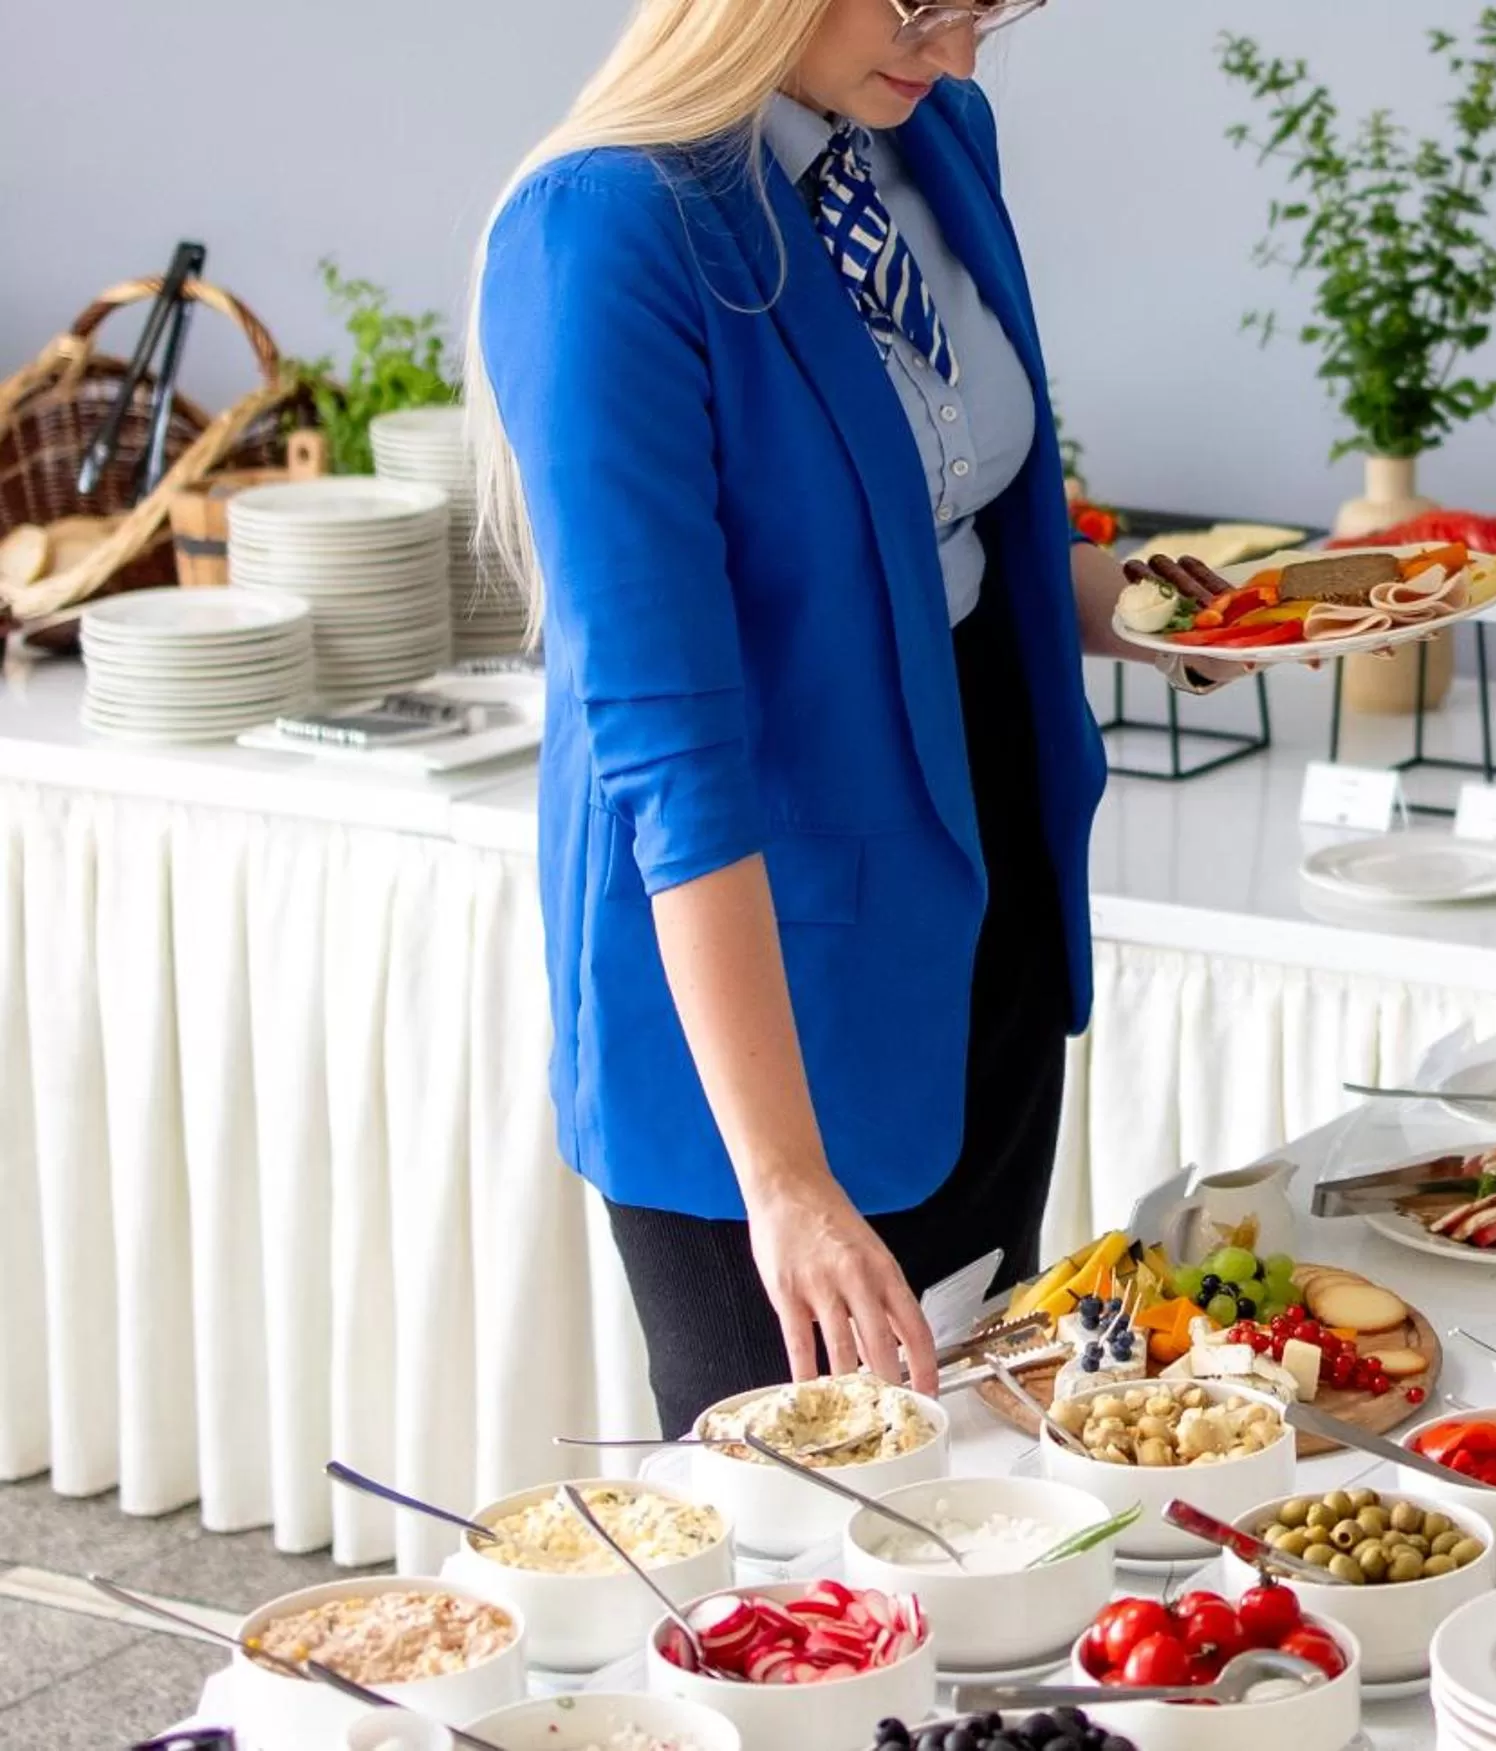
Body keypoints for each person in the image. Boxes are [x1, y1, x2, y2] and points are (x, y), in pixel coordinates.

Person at [467, 0, 1224, 1436]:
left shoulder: (926, 136)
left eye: (990, 9)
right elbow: (668, 750)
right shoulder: (604, 231)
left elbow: (945, 530)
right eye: (924, 7)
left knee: (986, 1465)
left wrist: (1168, 611)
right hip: (764, 983)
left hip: (982, 900)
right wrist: (785, 1178)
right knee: (794, 1522)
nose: (960, 55)